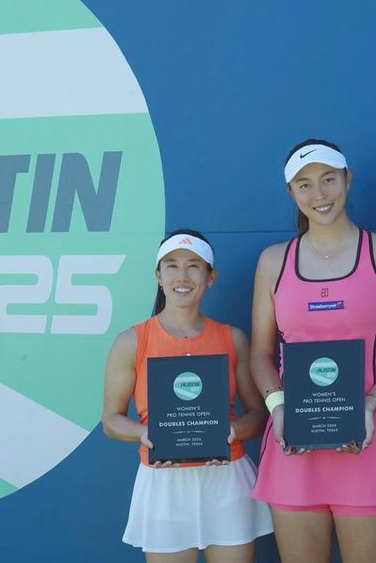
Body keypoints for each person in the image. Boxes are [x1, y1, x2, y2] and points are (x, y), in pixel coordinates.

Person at [250, 139, 376, 563]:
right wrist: (278, 407)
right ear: (291, 192)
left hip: (367, 442)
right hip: (293, 447)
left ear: (348, 179)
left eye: (328, 179)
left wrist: (368, 404)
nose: (319, 194)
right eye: (305, 184)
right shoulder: (273, 261)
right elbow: (259, 354)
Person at [102, 229, 273, 563]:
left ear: (211, 277)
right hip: (163, 483)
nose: (182, 276)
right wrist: (145, 433)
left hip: (226, 479)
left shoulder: (233, 338)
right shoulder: (131, 341)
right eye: (172, 266)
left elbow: (258, 413)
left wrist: (232, 432)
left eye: (194, 266)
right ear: (158, 275)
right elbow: (110, 420)